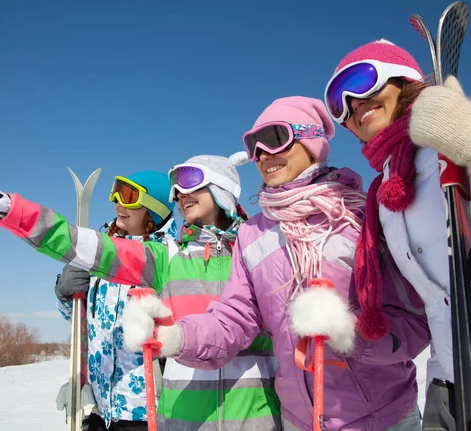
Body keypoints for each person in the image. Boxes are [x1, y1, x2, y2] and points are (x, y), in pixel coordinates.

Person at [120, 96, 431, 431]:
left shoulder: (358, 214)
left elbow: (416, 319)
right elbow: (233, 319)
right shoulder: (253, 235)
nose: (263, 156)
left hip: (381, 417)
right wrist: (177, 337)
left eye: (274, 139)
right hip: (299, 420)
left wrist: (349, 333)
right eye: (254, 147)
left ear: (310, 140)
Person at [0, 154, 281, 431]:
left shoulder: (260, 250)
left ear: (222, 189)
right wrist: (8, 210)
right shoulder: (166, 259)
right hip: (181, 420)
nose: (179, 193)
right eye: (175, 188)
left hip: (253, 419)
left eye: (190, 181)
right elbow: (79, 243)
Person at [322, 39, 471, 420]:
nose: (353, 103)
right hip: (452, 382)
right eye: (339, 102)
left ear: (404, 79)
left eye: (361, 81)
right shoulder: (386, 189)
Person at [54, 171, 177, 430]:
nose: (118, 203)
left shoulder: (170, 258)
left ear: (153, 209)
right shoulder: (102, 253)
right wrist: (66, 293)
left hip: (146, 411)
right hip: (100, 408)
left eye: (129, 196)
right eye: (115, 193)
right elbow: (80, 320)